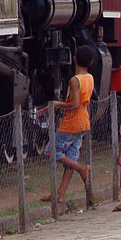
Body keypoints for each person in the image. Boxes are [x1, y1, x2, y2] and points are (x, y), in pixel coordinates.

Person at [40, 50, 94, 204]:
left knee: (51, 151)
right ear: (91, 63)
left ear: (74, 59)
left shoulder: (74, 80)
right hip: (84, 121)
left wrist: (58, 104)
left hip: (72, 123)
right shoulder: (90, 78)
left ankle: (82, 169)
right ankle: (60, 194)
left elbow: (75, 104)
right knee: (70, 158)